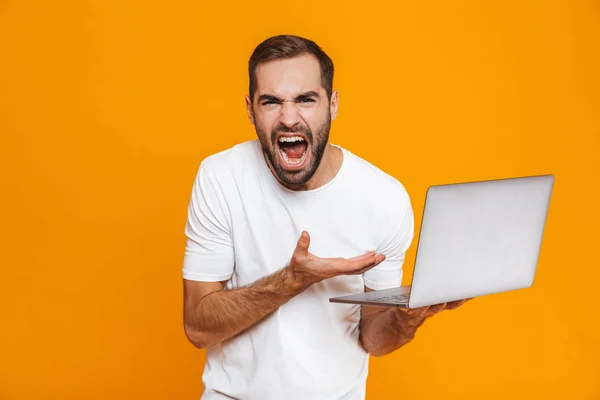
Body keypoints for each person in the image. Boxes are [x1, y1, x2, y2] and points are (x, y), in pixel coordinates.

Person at [181, 34, 467, 400]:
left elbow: (374, 338)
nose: (288, 118)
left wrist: (408, 316)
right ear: (250, 109)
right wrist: (293, 280)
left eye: (305, 100)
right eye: (271, 102)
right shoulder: (220, 177)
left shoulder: (384, 198)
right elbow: (198, 326)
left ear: (332, 105)